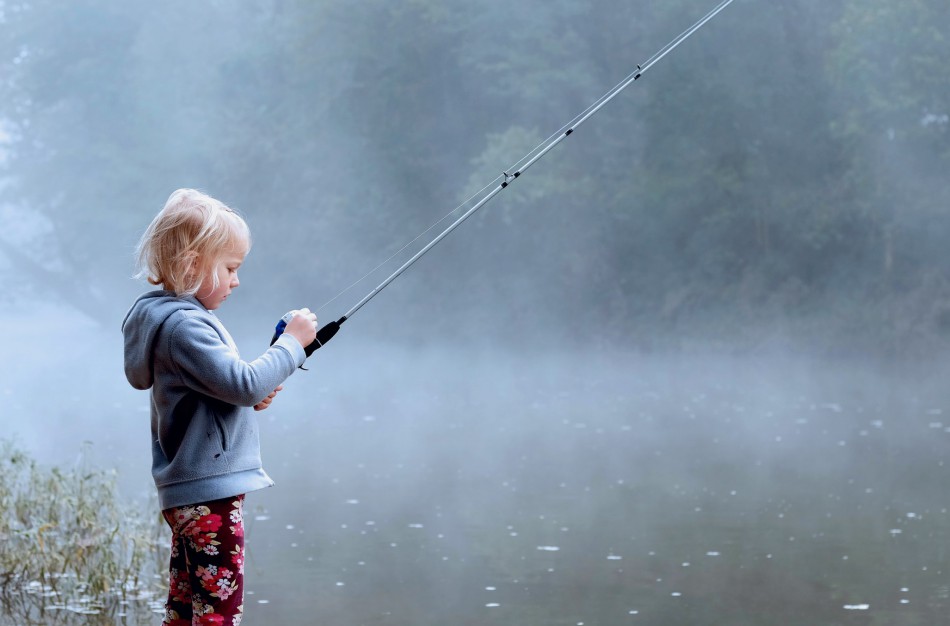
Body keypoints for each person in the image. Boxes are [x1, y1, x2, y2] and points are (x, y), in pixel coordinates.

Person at [122, 188, 317, 626]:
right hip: (209, 493)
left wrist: (247, 401)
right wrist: (292, 344)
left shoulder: (167, 320)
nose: (236, 280)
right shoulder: (185, 326)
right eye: (230, 268)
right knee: (219, 612)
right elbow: (243, 383)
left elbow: (222, 389)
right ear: (193, 264)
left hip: (190, 492)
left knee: (186, 606)